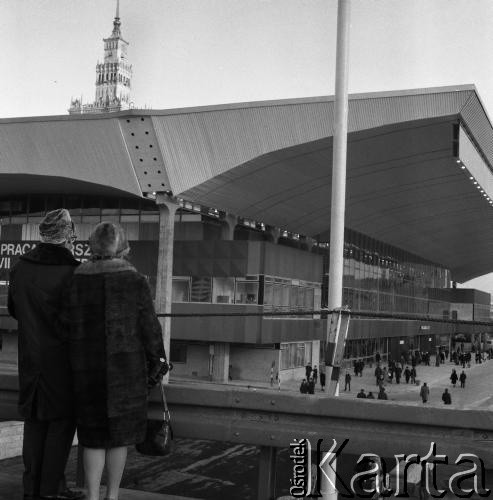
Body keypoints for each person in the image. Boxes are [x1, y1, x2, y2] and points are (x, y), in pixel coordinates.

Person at [63, 222, 166, 500]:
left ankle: (92, 496)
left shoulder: (76, 280)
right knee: (120, 437)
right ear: (122, 249)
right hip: (126, 371)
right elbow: (150, 327)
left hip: (86, 370)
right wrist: (159, 361)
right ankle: (113, 495)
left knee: (92, 437)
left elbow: (64, 324)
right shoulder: (134, 280)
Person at [7, 209, 84, 500]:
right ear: (68, 234)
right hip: (62, 362)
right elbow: (78, 321)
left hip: (30, 358)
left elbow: (14, 310)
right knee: (61, 424)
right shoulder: (74, 271)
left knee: (34, 422)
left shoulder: (20, 267)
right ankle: (51, 489)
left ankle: (31, 489)